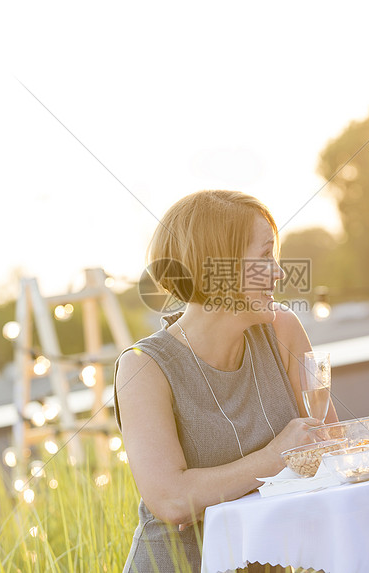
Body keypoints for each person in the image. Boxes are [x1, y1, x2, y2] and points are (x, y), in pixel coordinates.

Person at [114, 190, 337, 573]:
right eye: (265, 256)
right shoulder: (143, 367)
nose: (279, 273)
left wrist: (207, 492)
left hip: (278, 560)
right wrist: (275, 458)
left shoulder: (283, 328)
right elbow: (169, 500)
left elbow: (330, 445)